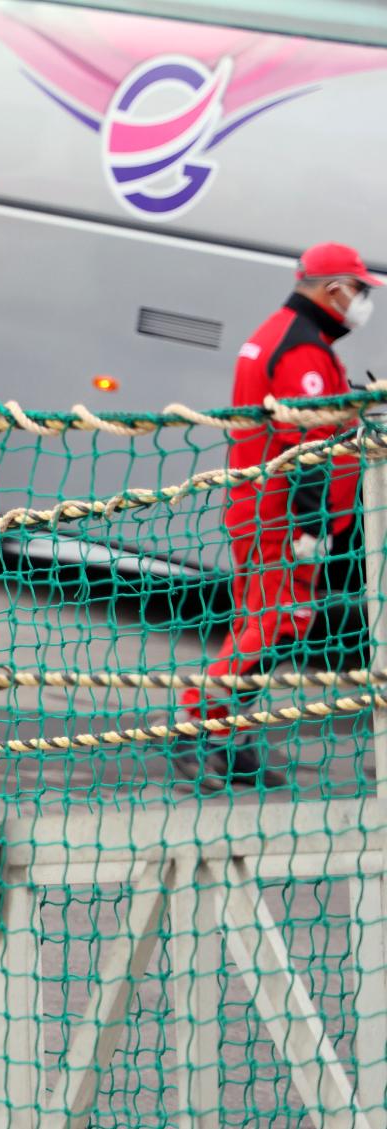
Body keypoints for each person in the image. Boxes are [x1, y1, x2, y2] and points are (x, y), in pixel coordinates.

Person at [178, 242, 380, 790]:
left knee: (261, 622)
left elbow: (315, 419)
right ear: (334, 289)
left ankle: (232, 741)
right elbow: (306, 444)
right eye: (359, 290)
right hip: (282, 513)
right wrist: (312, 528)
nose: (363, 301)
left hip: (263, 504)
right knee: (278, 622)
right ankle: (196, 724)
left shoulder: (289, 335)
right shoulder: (301, 348)